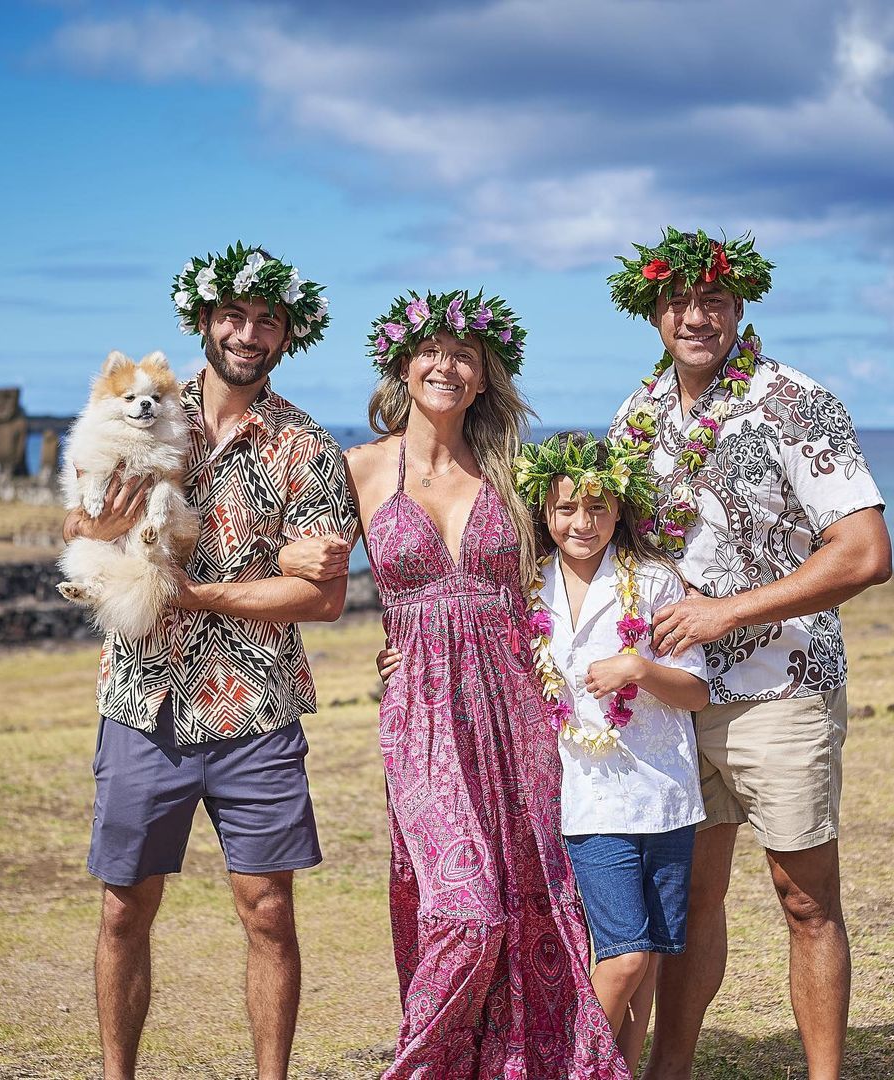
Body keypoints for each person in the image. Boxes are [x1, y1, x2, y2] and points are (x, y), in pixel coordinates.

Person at [281, 291, 628, 1078]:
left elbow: (592, 549)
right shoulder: (358, 469)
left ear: (483, 378)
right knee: (464, 911)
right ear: (402, 364)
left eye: (464, 355)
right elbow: (297, 558)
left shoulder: (515, 470)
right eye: (430, 350)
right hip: (421, 714)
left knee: (530, 898)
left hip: (520, 706)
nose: (445, 365)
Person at [62, 243, 354, 1080]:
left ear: (288, 335)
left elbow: (323, 599)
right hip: (140, 700)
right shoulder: (139, 408)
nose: (248, 333)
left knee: (268, 911)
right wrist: (99, 532)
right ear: (203, 321)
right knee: (124, 908)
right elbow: (81, 526)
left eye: (267, 320)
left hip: (255, 710)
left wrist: (190, 594)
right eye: (233, 315)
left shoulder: (307, 448)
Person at [606, 228, 892, 1080]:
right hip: (672, 698)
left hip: (782, 690)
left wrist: (726, 612)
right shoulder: (637, 414)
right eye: (679, 301)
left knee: (805, 901)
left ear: (739, 306)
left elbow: (865, 551)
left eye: (714, 301)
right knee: (688, 901)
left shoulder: (795, 403)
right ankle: (672, 1071)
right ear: (652, 311)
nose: (696, 316)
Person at [509, 431, 709, 1071]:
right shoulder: (523, 587)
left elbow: (698, 691)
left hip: (664, 795)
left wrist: (640, 669)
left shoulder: (652, 581)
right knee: (623, 955)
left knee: (646, 959)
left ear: (620, 510)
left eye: (597, 508)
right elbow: (476, 654)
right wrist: (402, 656)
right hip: (586, 799)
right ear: (545, 512)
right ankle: (568, 1062)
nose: (582, 523)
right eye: (567, 508)